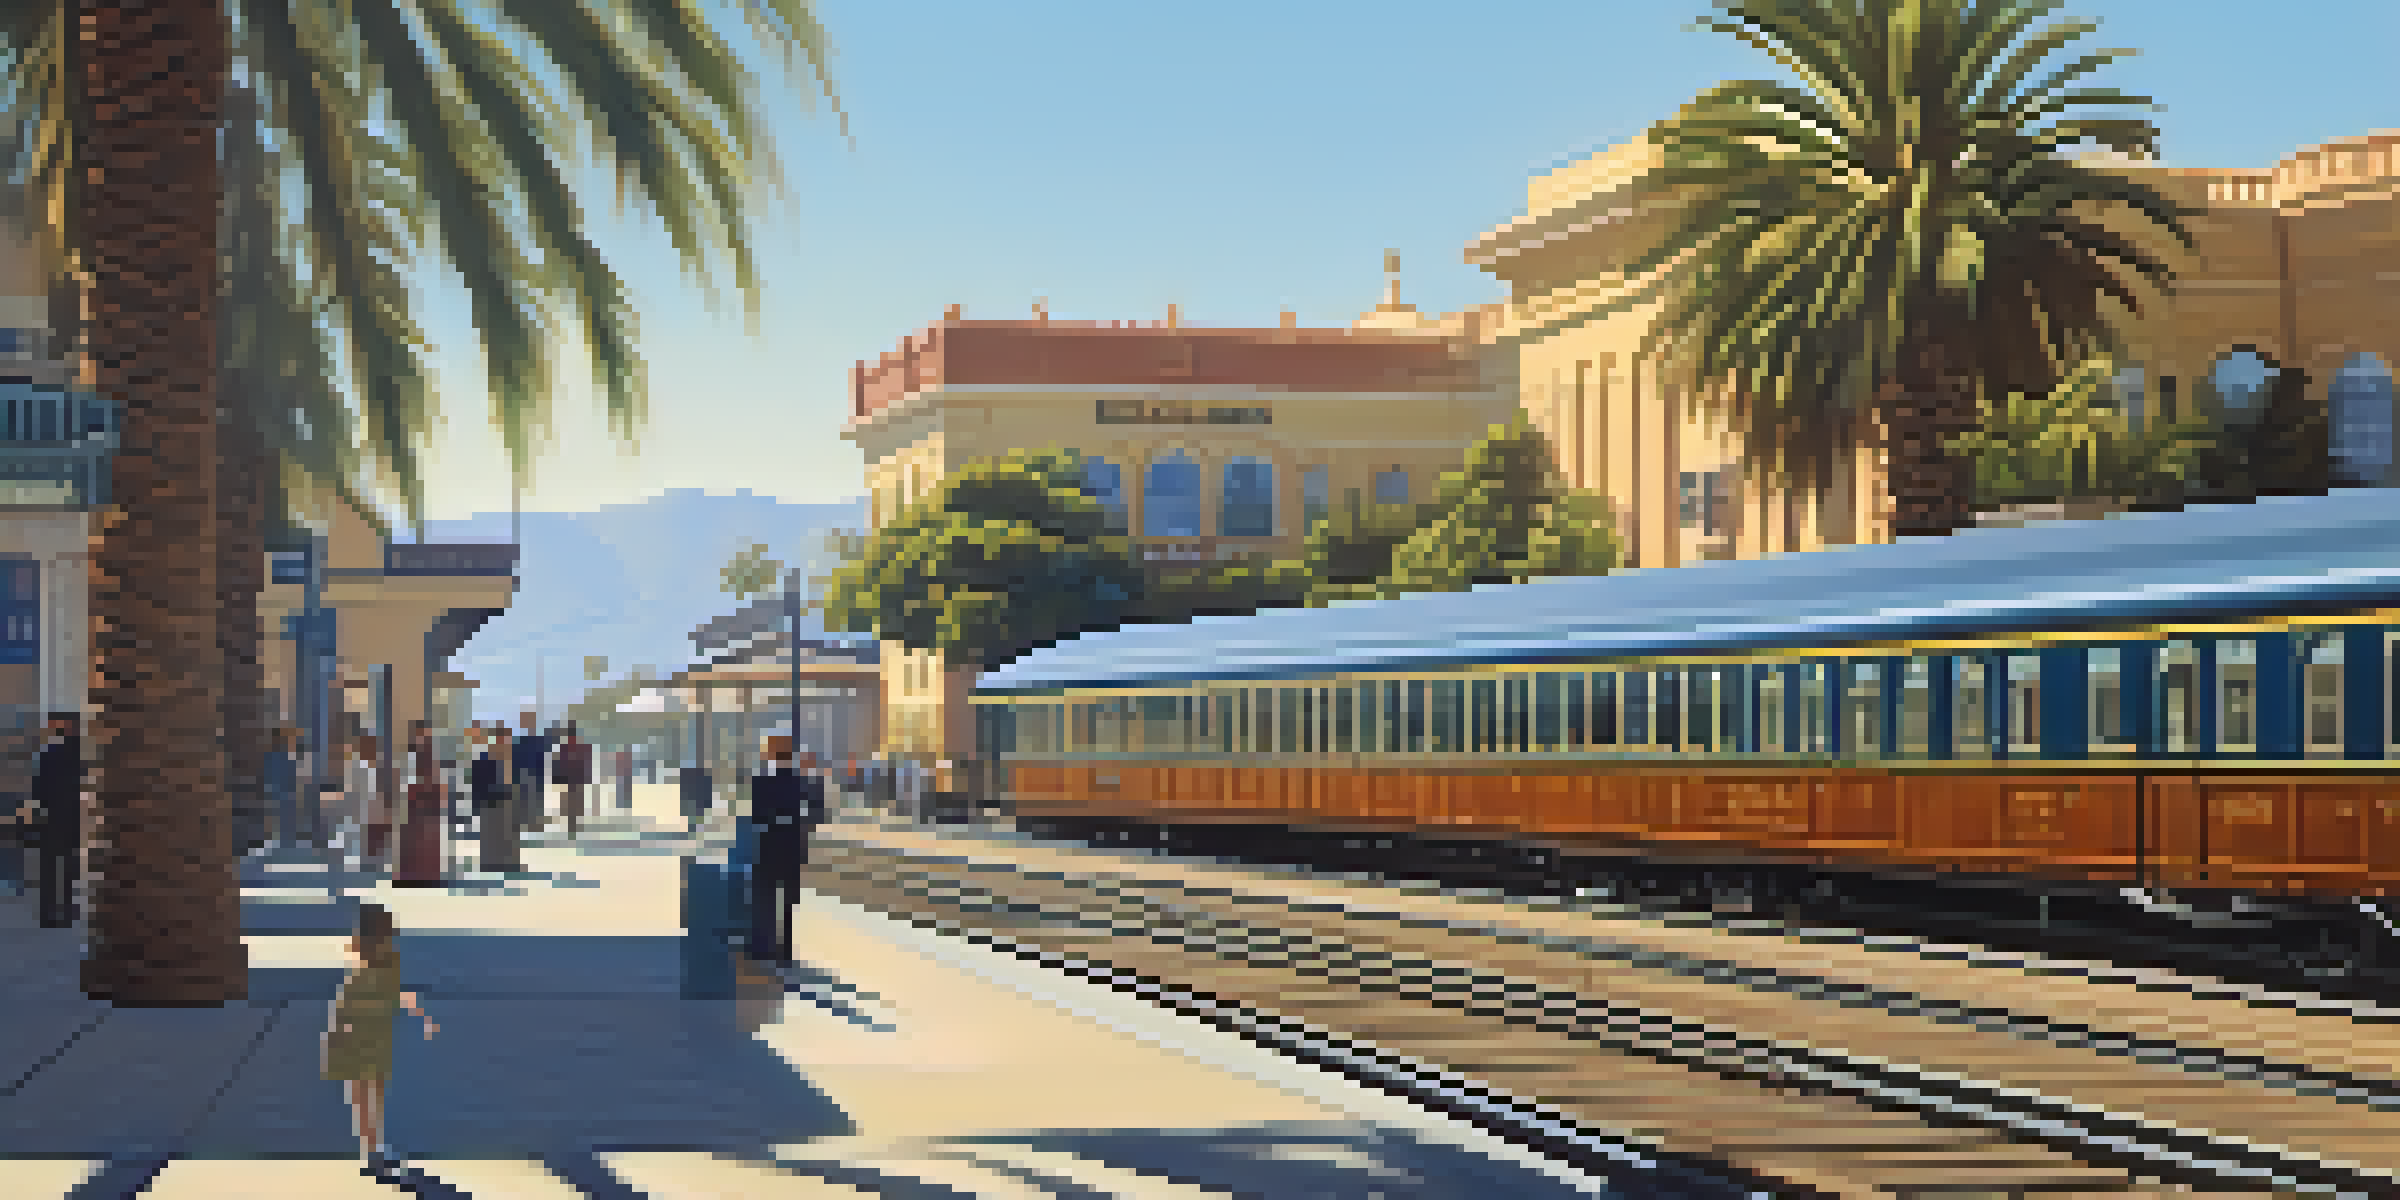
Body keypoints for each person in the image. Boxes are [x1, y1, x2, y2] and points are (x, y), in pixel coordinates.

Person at [323, 902, 435, 1177]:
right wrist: (420, 1014)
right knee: (370, 1094)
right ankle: (374, 1150)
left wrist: (419, 1013)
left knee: (367, 1094)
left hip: (366, 1033)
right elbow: (383, 994)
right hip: (369, 1033)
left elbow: (352, 1002)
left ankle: (373, 1149)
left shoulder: (370, 959)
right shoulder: (381, 961)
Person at [745, 738, 824, 965]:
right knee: (788, 900)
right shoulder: (802, 782)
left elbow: (756, 815)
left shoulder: (760, 782)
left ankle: (764, 948)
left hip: (768, 846)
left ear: (769, 754)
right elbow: (818, 812)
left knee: (766, 898)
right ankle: (786, 950)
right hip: (793, 847)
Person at [30, 712, 82, 927]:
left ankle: (49, 913)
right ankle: (67, 911)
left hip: (52, 817)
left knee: (52, 868)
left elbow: (38, 788)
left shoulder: (48, 753)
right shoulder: (78, 756)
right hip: (70, 817)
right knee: (68, 867)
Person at [472, 724, 520, 873]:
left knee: (507, 833)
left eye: (507, 739)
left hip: (506, 798)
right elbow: (478, 780)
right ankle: (490, 863)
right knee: (491, 834)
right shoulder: (486, 757)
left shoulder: (512, 758)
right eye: (503, 738)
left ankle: (509, 863)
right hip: (490, 800)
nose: (505, 741)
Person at [512, 712, 550, 834]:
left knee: (534, 801)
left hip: (534, 775)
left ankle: (534, 826)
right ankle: (525, 825)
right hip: (523, 775)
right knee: (523, 800)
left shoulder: (539, 741)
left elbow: (543, 759)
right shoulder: (519, 740)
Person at [553, 723, 592, 838]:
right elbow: (586, 762)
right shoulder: (582, 746)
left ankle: (571, 826)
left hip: (568, 779)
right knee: (576, 802)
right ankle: (574, 826)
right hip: (577, 779)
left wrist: (558, 778)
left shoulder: (564, 747)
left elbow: (560, 763)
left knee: (570, 802)